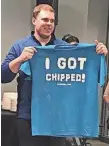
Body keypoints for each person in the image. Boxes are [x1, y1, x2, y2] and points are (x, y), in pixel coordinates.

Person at [1, 4, 108, 146]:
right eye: (45, 20)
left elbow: (86, 75)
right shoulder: (20, 46)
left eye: (52, 21)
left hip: (57, 119)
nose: (49, 24)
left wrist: (98, 55)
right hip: (28, 118)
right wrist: (20, 59)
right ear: (34, 20)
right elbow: (3, 76)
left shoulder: (64, 48)